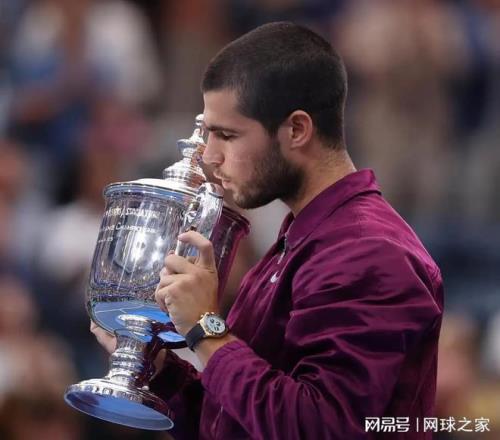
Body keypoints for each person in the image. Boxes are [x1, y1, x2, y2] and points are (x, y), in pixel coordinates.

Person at [91, 22, 444, 439]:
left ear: (297, 130)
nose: (210, 157)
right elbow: (235, 423)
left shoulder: (368, 253)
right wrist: (162, 373)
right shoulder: (304, 238)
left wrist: (205, 330)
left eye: (227, 135)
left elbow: (320, 427)